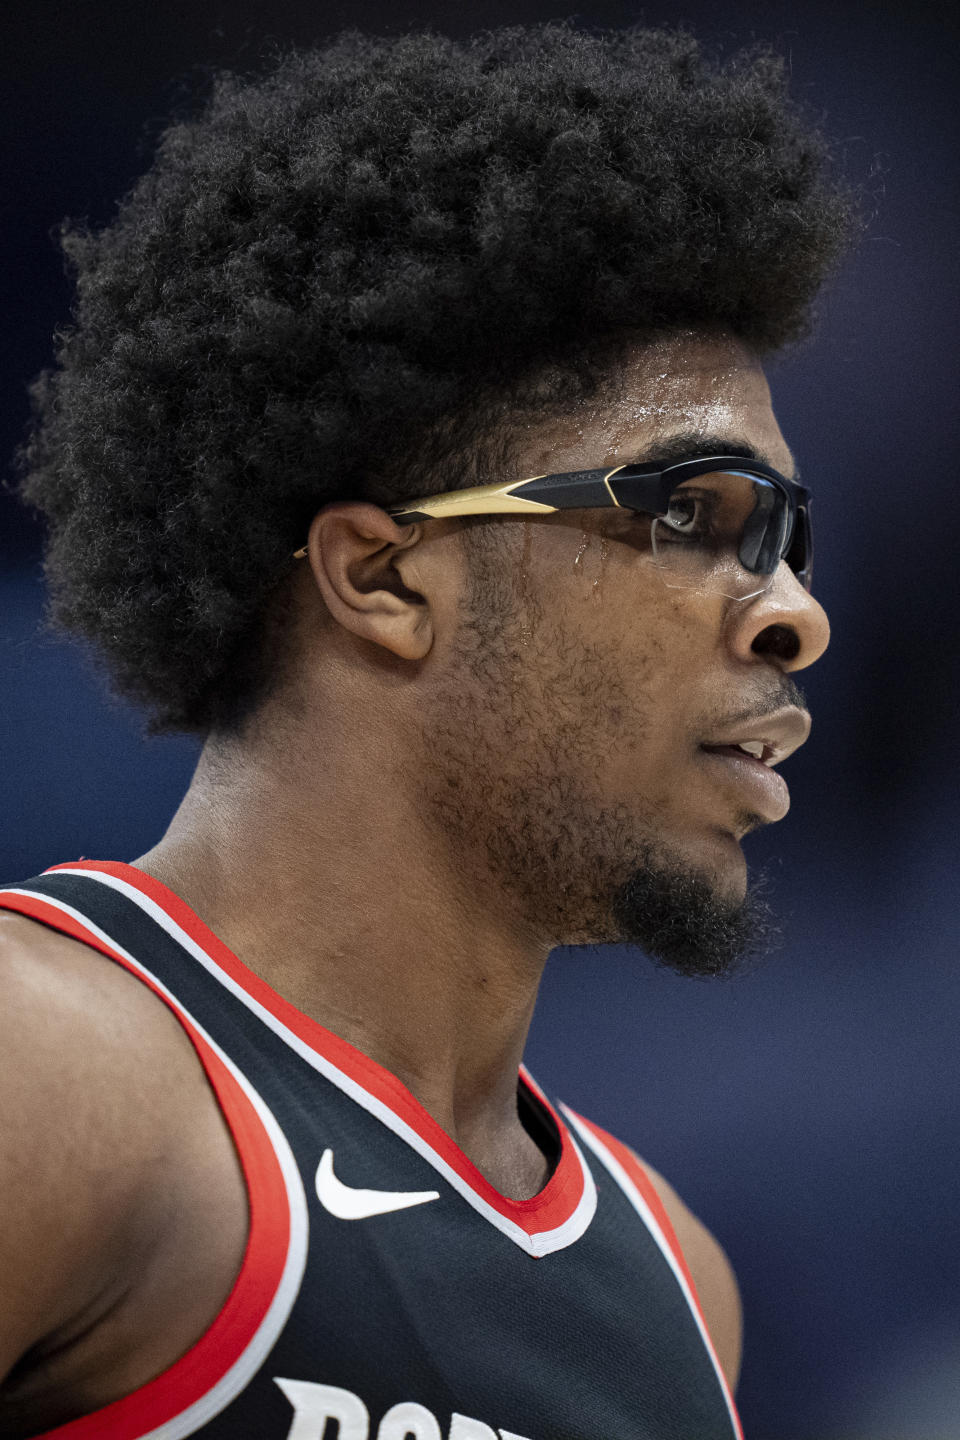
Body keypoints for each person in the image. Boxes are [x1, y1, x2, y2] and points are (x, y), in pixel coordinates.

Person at [0, 22, 853, 1440]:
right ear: (385, 578)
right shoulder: (52, 1068)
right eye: (692, 515)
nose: (793, 616)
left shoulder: (678, 1278)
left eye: (791, 541)